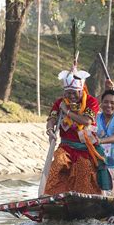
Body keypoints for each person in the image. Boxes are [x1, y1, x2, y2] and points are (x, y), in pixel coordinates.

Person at [45, 67, 110, 195]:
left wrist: (67, 111)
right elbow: (52, 118)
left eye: (75, 92)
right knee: (58, 162)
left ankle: (86, 199)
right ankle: (53, 195)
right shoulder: (60, 102)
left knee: (84, 170)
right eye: (68, 93)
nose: (72, 96)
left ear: (81, 90)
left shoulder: (91, 101)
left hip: (86, 148)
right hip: (66, 146)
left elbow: (86, 121)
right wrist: (50, 129)